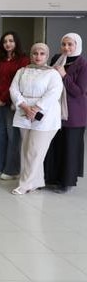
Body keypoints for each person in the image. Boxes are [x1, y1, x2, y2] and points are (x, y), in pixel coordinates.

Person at [10, 43, 63, 195]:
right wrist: (25, 106)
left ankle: (25, 184)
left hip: (46, 116)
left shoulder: (53, 74)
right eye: (35, 53)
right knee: (27, 149)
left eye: (42, 53)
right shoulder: (22, 71)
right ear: (31, 55)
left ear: (47, 56)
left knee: (34, 151)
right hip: (24, 113)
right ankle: (36, 181)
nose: (38, 56)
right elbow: (13, 89)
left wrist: (36, 108)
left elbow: (54, 92)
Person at [45, 33, 87, 193]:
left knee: (70, 147)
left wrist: (64, 75)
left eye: (70, 44)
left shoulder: (83, 64)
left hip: (74, 113)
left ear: (77, 45)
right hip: (55, 110)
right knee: (55, 145)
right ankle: (52, 178)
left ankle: (66, 182)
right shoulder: (57, 59)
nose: (66, 48)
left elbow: (79, 91)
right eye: (64, 44)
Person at [0, 31, 29, 180]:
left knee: (13, 136)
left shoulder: (24, 60)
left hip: (13, 103)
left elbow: (19, 82)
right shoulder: (0, 60)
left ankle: (12, 170)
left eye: (11, 41)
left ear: (16, 42)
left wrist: (4, 97)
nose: (8, 44)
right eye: (5, 41)